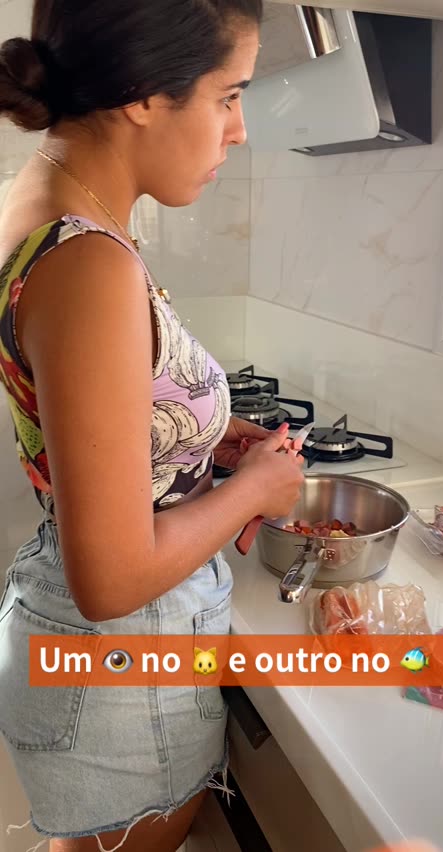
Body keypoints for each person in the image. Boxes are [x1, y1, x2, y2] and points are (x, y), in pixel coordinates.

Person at [0, 1, 306, 850]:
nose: (238, 130)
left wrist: (199, 435)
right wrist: (254, 490)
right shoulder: (87, 260)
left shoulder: (48, 209)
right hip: (121, 661)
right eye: (228, 95)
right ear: (142, 92)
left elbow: (93, 408)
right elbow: (112, 577)